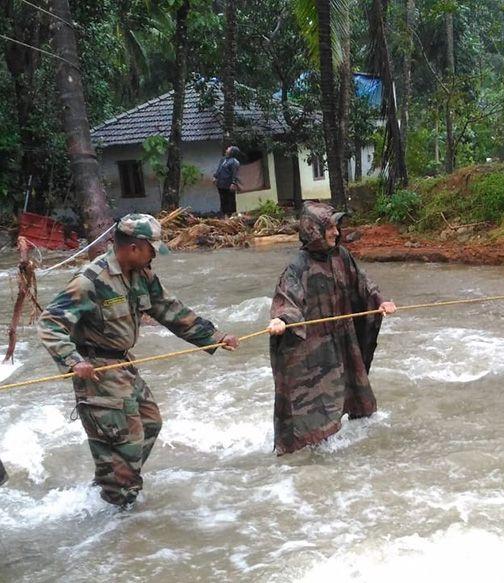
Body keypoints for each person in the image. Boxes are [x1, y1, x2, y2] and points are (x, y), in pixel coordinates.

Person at [37, 214, 239, 507]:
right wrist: (72, 361)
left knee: (150, 423)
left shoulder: (141, 275)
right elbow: (50, 323)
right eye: (152, 248)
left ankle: (113, 483)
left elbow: (170, 309)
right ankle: (116, 504)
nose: (155, 254)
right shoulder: (90, 281)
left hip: (123, 366)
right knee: (123, 441)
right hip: (97, 373)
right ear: (134, 247)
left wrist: (215, 336)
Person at [267, 202, 396, 455]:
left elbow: (363, 282)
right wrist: (281, 319)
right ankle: (312, 448)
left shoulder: (342, 256)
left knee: (359, 396)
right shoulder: (298, 266)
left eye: (337, 226)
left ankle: (360, 436)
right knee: (317, 403)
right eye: (330, 227)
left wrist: (380, 301)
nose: (336, 232)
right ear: (313, 230)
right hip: (315, 348)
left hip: (344, 338)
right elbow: (287, 298)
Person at [212, 145, 241, 216]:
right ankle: (224, 215)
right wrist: (215, 177)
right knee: (223, 200)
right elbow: (219, 170)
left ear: (232, 152)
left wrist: (233, 183)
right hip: (221, 184)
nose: (227, 149)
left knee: (230, 200)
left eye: (229, 148)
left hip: (228, 185)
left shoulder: (234, 162)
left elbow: (235, 174)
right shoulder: (223, 160)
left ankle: (230, 215)